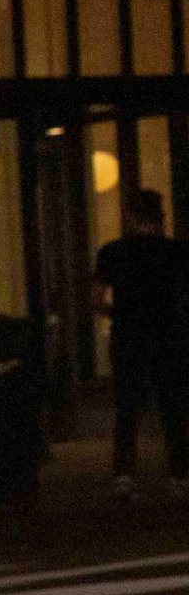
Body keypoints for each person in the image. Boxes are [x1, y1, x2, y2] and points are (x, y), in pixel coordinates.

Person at [95, 188, 187, 496]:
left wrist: (114, 311)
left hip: (129, 334)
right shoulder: (176, 252)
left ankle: (124, 474)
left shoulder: (113, 252)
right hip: (168, 334)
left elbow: (96, 298)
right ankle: (179, 474)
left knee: (127, 406)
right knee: (173, 405)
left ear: (131, 217)